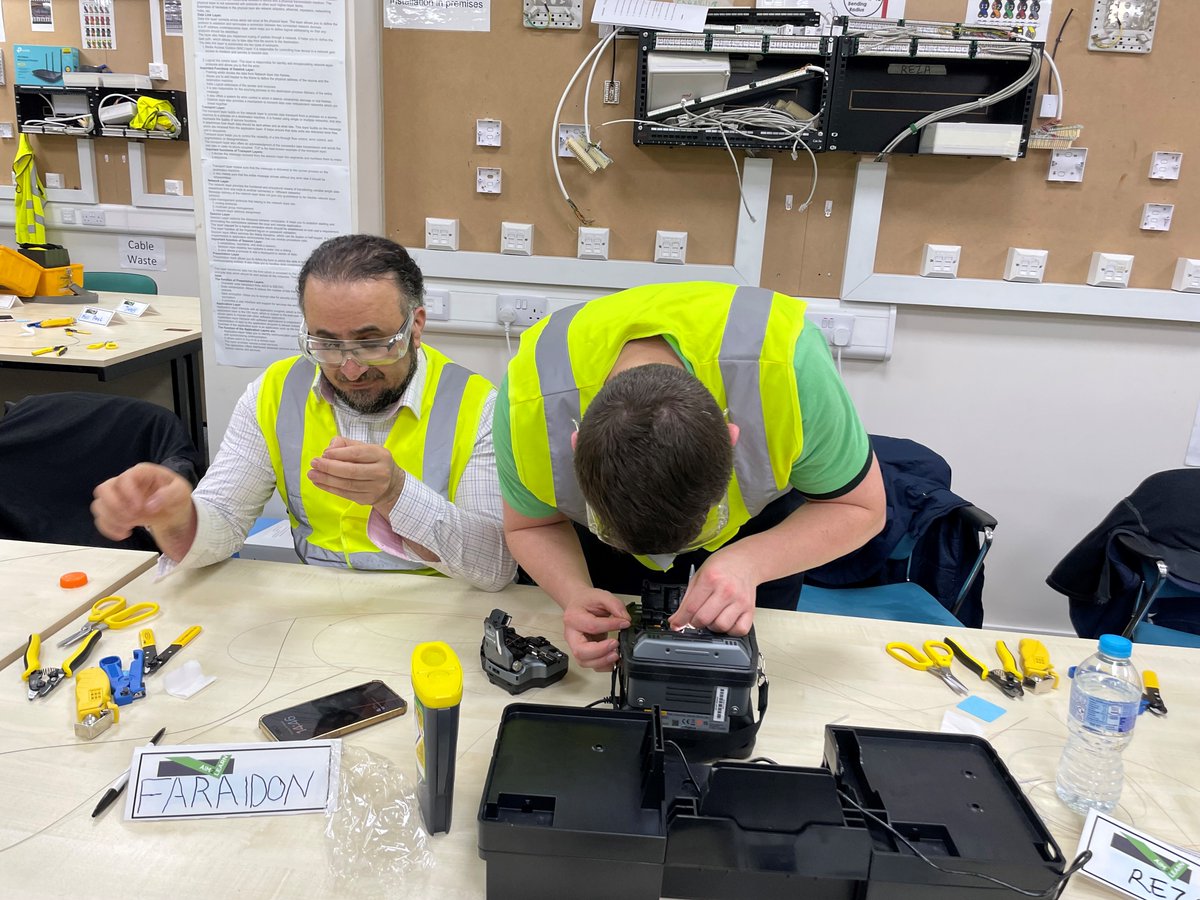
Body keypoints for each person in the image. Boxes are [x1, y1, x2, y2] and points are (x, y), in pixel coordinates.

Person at [92, 234, 515, 591]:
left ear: (416, 325)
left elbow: (495, 567)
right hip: (316, 607)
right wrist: (177, 519)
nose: (350, 368)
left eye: (372, 343)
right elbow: (222, 523)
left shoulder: (477, 405)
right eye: (326, 344)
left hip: (438, 614)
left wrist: (396, 494)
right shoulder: (275, 393)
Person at [496, 282, 886, 667]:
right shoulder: (527, 404)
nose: (664, 559)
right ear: (575, 445)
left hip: (762, 530)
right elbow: (530, 526)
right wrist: (574, 593)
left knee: (752, 668)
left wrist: (751, 562)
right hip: (598, 552)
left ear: (733, 440)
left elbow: (860, 507)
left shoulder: (790, 367)